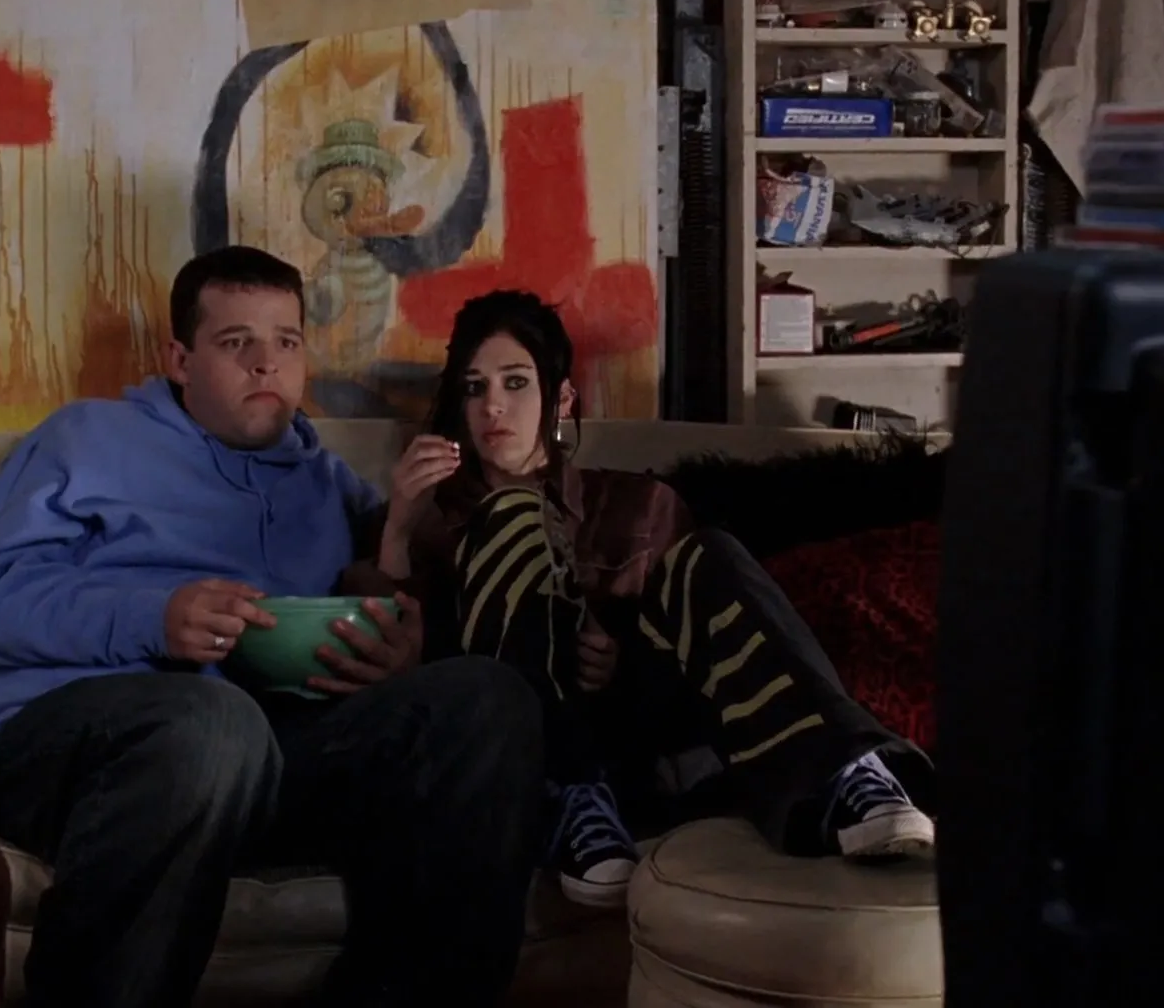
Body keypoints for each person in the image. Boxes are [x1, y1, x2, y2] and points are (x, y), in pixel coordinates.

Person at [0, 247, 548, 1008]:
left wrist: (396, 648)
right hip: (58, 748)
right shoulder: (85, 439)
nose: (267, 363)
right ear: (181, 360)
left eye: (286, 342)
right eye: (237, 343)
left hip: (255, 759)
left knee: (486, 699)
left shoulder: (325, 480)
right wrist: (155, 617)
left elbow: (385, 591)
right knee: (212, 721)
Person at [365, 289, 936, 908]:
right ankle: (570, 799)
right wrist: (397, 530)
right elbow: (401, 670)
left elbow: (688, 663)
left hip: (638, 744)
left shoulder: (638, 507)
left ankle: (844, 770)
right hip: (517, 750)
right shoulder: (432, 521)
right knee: (511, 520)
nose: (493, 405)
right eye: (474, 388)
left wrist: (620, 657)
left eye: (516, 382)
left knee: (710, 551)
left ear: (561, 400)